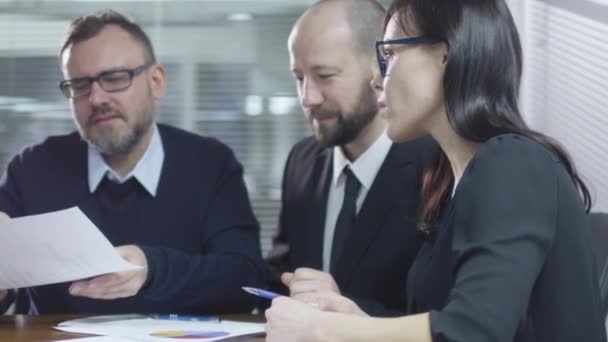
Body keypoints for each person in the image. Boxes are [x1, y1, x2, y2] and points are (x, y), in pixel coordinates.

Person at [264, 0, 607, 341]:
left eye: (391, 55)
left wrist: (323, 329)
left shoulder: (513, 162)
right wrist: (358, 317)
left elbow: (474, 330)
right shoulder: (451, 179)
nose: (376, 79)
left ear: (445, 56)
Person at [0, 10, 265, 314]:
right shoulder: (32, 169)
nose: (96, 98)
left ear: (157, 82)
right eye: (80, 86)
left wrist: (152, 269)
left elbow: (247, 281)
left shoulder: (211, 164)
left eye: (114, 79)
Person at [266, 0, 435, 316]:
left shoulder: (437, 167)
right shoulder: (302, 162)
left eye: (325, 76)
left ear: (380, 67)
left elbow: (445, 319)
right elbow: (280, 274)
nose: (308, 98)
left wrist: (346, 309)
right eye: (299, 77)